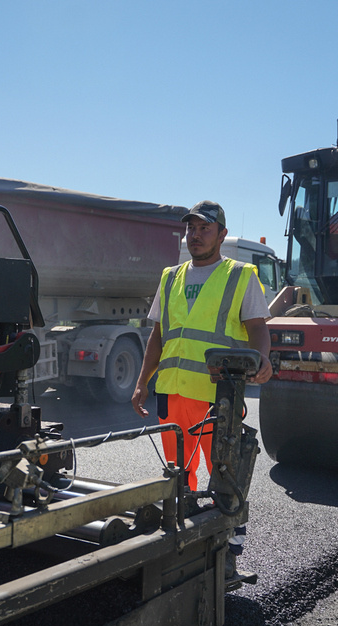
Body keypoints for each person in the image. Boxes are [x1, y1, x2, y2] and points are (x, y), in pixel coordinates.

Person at [131, 200, 272, 580]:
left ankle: (227, 554)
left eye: (204, 229)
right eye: (191, 229)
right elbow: (158, 336)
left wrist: (263, 358)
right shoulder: (170, 277)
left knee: (224, 473)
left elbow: (258, 327)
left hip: (217, 396)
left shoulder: (240, 274)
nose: (195, 235)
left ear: (221, 235)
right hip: (173, 393)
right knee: (179, 475)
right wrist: (142, 382)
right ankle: (187, 544)